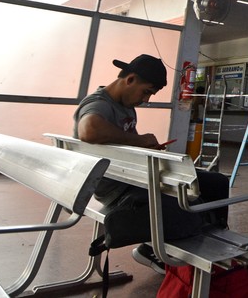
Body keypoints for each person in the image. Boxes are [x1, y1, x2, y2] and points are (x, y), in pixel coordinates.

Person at [73, 54, 231, 274]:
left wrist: (146, 148)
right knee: (187, 210)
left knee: (216, 183)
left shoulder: (125, 107)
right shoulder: (99, 104)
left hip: (133, 176)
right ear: (130, 79)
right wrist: (140, 140)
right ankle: (152, 249)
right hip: (117, 188)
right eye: (146, 91)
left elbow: (124, 143)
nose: (145, 99)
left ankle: (213, 237)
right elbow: (89, 130)